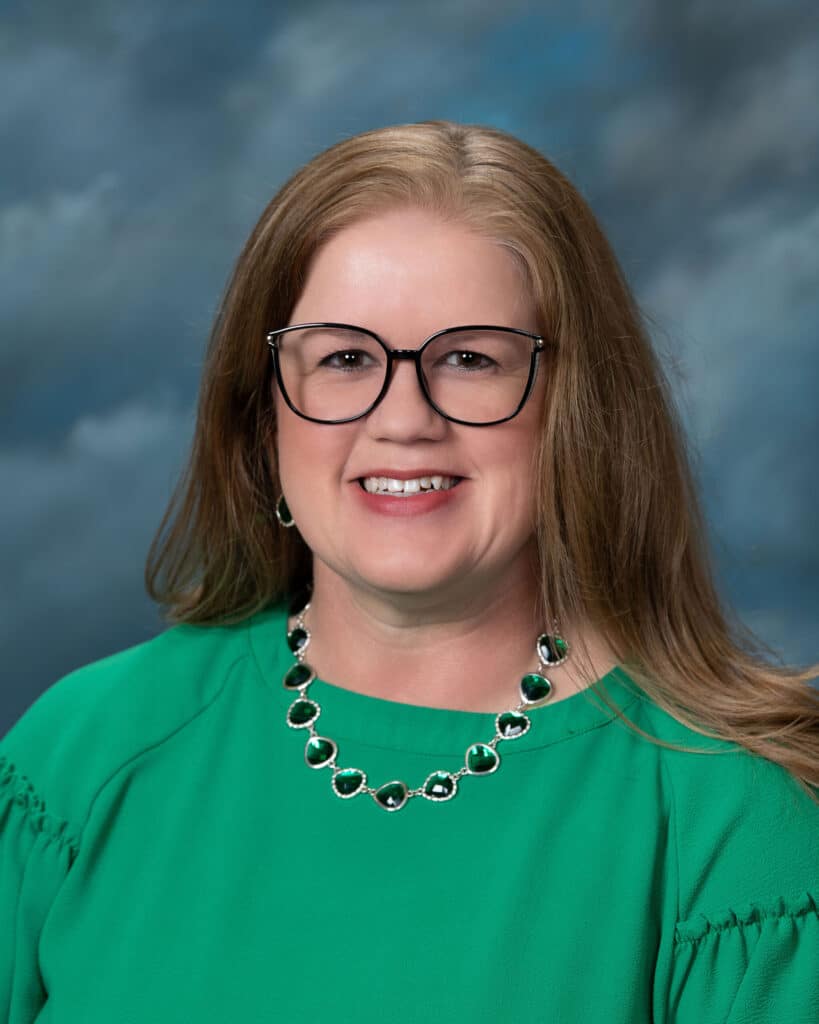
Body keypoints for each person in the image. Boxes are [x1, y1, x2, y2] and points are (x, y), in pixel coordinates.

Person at [1, 121, 817, 1023]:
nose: (402, 420)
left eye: (469, 359)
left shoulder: (731, 826)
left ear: (577, 410)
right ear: (262, 414)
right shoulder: (81, 754)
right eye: (344, 358)